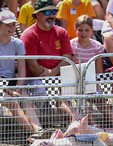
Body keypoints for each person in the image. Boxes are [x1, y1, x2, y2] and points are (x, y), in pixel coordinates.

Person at [20, 0, 74, 138]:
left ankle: (77, 126)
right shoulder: (29, 34)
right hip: (34, 79)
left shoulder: (61, 32)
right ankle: (43, 132)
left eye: (54, 12)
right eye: (47, 12)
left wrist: (52, 73)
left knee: (63, 98)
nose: (52, 15)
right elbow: (31, 63)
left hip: (57, 77)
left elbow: (67, 56)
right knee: (47, 93)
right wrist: (48, 75)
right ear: (36, 15)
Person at [0, 9, 45, 136]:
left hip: (12, 81)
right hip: (2, 83)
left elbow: (21, 70)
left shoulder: (18, 43)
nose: (12, 27)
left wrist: (18, 89)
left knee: (26, 99)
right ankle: (34, 133)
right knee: (12, 103)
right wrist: (9, 90)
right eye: (8, 24)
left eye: (13, 24)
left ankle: (38, 131)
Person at [71, 14, 113, 127]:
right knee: (84, 106)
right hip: (77, 82)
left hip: (92, 81)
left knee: (103, 104)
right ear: (75, 30)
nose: (83, 33)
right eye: (80, 30)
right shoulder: (71, 45)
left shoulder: (97, 46)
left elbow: (99, 68)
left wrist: (97, 86)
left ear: (92, 30)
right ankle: (91, 126)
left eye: (87, 30)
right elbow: (71, 66)